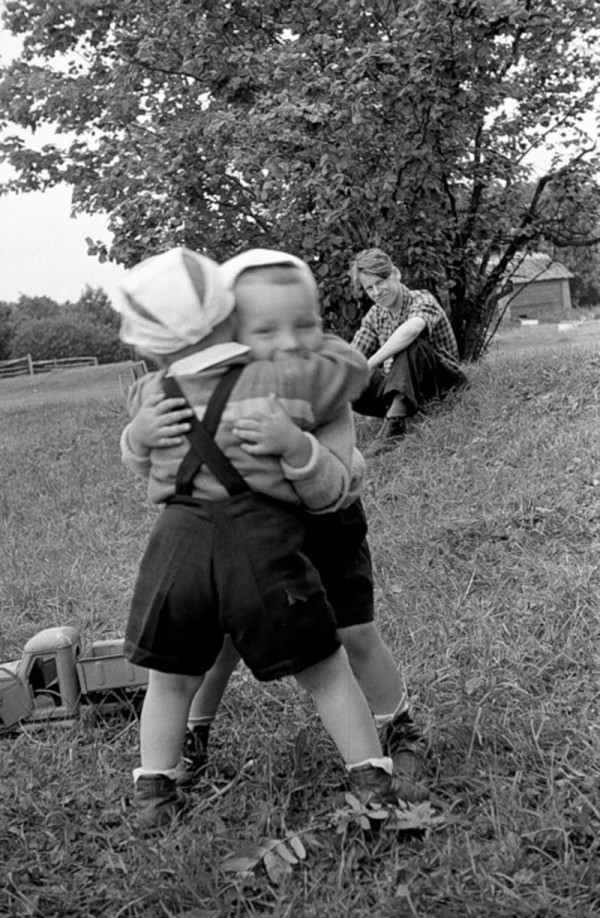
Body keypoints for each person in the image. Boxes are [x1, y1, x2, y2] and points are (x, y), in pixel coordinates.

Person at [116, 246, 423, 831]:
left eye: (305, 325)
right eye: (264, 330)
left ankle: (397, 723)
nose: (288, 344)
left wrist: (295, 443)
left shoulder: (306, 387)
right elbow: (151, 442)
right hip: (257, 536)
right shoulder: (259, 385)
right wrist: (139, 435)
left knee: (351, 633)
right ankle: (194, 741)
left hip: (325, 519)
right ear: (226, 328)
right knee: (225, 646)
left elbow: (334, 483)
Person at [350, 247, 467, 454]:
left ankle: (393, 427)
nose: (377, 292)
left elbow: (411, 330)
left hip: (440, 382)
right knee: (348, 376)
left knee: (410, 343)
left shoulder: (422, 299)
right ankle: (396, 409)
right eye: (369, 288)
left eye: (380, 282)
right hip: (403, 386)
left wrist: (371, 363)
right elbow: (352, 355)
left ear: (395, 274)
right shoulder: (375, 315)